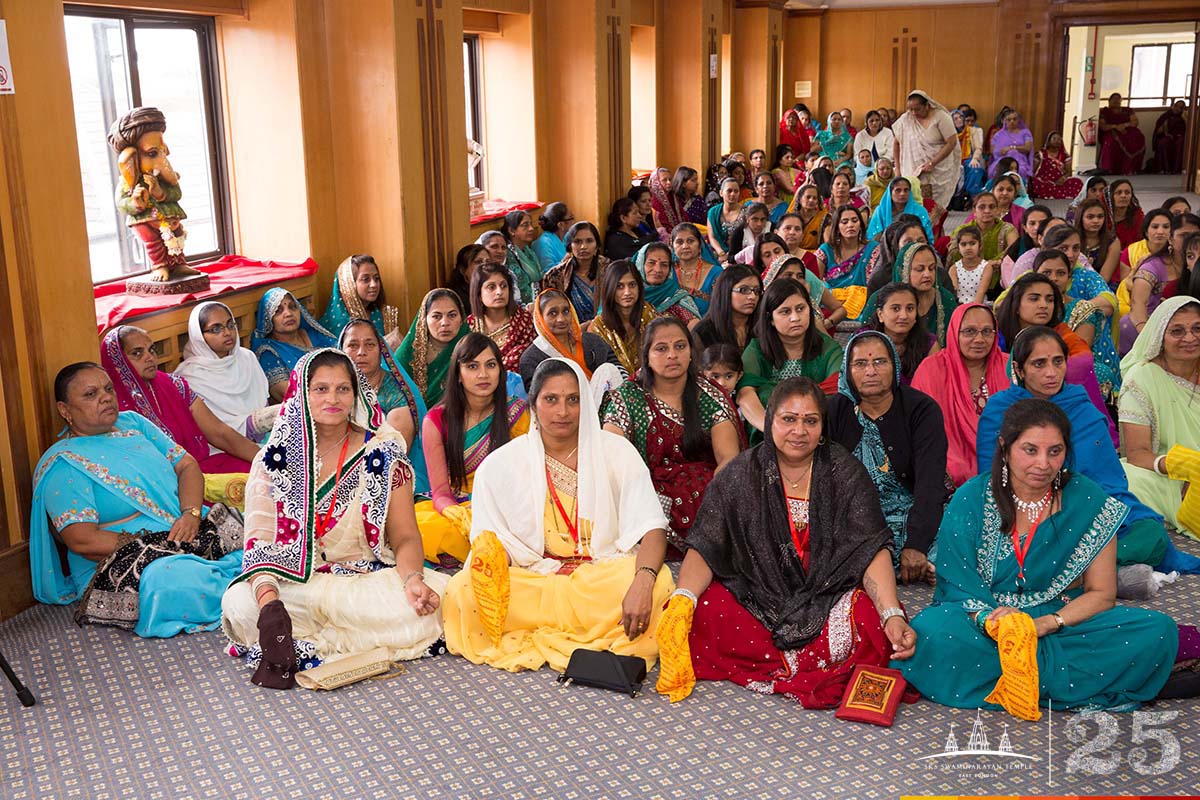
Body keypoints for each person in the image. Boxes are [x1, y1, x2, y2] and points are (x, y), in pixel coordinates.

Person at [899, 398, 1178, 714]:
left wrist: (1045, 624)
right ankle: (1065, 679)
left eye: (1054, 451)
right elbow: (956, 588)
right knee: (930, 631)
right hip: (988, 622)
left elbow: (1101, 595)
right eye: (1030, 450)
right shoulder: (971, 499)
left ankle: (1022, 677)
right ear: (1005, 448)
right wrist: (995, 623)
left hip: (1062, 618)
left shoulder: (1087, 500)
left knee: (1158, 630)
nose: (1043, 463)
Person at [654, 377, 917, 707]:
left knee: (871, 618)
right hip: (758, 594)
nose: (799, 431)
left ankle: (781, 658)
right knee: (702, 610)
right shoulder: (739, 474)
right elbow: (707, 544)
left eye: (811, 421)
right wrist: (684, 598)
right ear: (769, 420)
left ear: (823, 425)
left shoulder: (845, 473)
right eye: (788, 419)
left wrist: (891, 612)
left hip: (828, 593)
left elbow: (870, 548)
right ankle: (809, 658)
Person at [221, 350, 447, 686]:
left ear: (356, 395)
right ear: (301, 393)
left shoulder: (382, 453)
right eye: (321, 389)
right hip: (297, 583)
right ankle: (302, 633)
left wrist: (413, 579)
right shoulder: (273, 461)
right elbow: (260, 548)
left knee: (432, 599)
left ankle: (311, 640)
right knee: (239, 603)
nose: (333, 398)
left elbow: (405, 538)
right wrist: (270, 608)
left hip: (362, 580)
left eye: (343, 389)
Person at [443, 357, 675, 672]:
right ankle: (588, 628)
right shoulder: (500, 467)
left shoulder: (617, 453)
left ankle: (569, 622)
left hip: (601, 576)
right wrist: (491, 570)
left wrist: (642, 582)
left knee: (659, 583)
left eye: (573, 400)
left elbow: (652, 528)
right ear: (533, 405)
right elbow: (493, 545)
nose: (563, 411)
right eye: (551, 399)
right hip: (534, 577)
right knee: (462, 589)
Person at [30, 362, 243, 636]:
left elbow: (187, 466)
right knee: (170, 579)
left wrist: (190, 514)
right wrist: (157, 545)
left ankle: (246, 580)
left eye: (108, 389)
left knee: (252, 530)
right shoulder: (65, 463)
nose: (106, 397)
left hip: (180, 528)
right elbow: (82, 540)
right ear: (64, 410)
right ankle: (248, 590)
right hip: (117, 559)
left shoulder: (133, 423)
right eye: (90, 394)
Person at [978, 326, 1200, 575]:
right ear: (1019, 369)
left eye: (1058, 361)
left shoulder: (1080, 406)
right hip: (1026, 511)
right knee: (1026, 541)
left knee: (1150, 532)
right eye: (1039, 364)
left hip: (1090, 506)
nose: (1051, 373)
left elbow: (1110, 480)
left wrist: (1089, 508)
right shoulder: (1001, 410)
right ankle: (1093, 572)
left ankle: (1072, 572)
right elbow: (990, 478)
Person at [602, 318, 741, 555]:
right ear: (646, 356)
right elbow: (612, 461)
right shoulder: (626, 399)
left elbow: (729, 459)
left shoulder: (709, 396)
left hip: (706, 493)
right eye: (661, 348)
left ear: (690, 352)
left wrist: (713, 500)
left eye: (680, 346)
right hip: (643, 495)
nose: (672, 355)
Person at [828, 331, 948, 583]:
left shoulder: (921, 410)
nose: (871, 371)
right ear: (847, 370)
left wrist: (916, 544)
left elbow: (930, 483)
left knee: (956, 541)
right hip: (853, 518)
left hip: (910, 511)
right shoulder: (832, 411)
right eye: (860, 363)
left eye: (880, 362)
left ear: (894, 365)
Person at [414, 334, 529, 565]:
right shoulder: (436, 420)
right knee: (420, 526)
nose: (483, 374)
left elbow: (527, 481)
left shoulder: (516, 413)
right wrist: (463, 518)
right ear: (458, 374)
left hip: (505, 506)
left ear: (500, 370)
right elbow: (440, 491)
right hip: (458, 506)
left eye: (490, 365)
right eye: (472, 366)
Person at [103, 326, 259, 474]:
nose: (149, 357)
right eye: (137, 353)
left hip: (201, 466)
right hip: (167, 483)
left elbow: (219, 432)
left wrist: (264, 459)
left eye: (152, 350)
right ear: (117, 361)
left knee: (263, 474)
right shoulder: (111, 407)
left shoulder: (175, 385)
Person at [1119, 297, 1200, 539]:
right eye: (1177, 331)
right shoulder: (1142, 379)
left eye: (1197, 328)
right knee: (1128, 479)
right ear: (1160, 337)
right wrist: (1186, 468)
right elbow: (1137, 454)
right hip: (1166, 475)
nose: (1190, 338)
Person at [912, 304, 1008, 486]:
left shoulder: (1009, 367)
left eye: (987, 332)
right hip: (948, 469)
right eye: (970, 331)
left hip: (1007, 462)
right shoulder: (932, 370)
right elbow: (923, 429)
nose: (979, 339)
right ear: (955, 332)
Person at [997, 271, 1109, 424]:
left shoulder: (1062, 334)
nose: (1044, 305)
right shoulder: (997, 334)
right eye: (1034, 299)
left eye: (1049, 300)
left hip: (1059, 409)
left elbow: (1082, 362)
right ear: (1016, 304)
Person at [737, 279, 842, 436]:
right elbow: (744, 395)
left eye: (800, 309)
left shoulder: (827, 347)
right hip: (767, 435)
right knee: (764, 394)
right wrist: (774, 430)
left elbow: (838, 386)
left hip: (819, 432)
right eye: (785, 312)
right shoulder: (757, 349)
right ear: (770, 318)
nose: (795, 318)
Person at [338, 319, 429, 493]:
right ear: (341, 351)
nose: (361, 352)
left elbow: (394, 454)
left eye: (370, 345)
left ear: (382, 352)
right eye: (353, 345)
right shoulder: (333, 390)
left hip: (390, 479)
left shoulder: (397, 392)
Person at [175, 301, 277, 445]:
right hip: (224, 447)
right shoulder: (190, 377)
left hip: (268, 435)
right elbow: (215, 432)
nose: (227, 333)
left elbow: (264, 402)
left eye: (230, 325)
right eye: (216, 329)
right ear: (199, 336)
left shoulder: (246, 357)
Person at [519, 289, 624, 403]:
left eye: (565, 311)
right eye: (553, 313)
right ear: (540, 319)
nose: (561, 319)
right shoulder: (532, 358)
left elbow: (617, 372)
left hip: (607, 411)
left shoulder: (592, 342)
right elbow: (539, 400)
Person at [1119, 210, 1194, 354]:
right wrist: (1150, 338)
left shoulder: (1195, 264)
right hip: (1149, 327)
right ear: (1171, 238)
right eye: (1183, 235)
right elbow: (1138, 303)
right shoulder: (1152, 266)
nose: (1189, 240)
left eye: (1194, 236)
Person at [862, 242, 958, 347]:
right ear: (904, 271)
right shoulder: (879, 299)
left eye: (931, 268)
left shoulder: (946, 300)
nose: (927, 274)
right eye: (920, 269)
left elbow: (954, 344)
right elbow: (864, 341)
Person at [252, 288, 338, 401]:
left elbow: (345, 360)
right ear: (268, 319)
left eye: (293, 307)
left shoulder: (315, 334)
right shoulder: (268, 352)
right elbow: (287, 392)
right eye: (278, 311)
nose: (288, 314)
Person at [396, 289, 469, 409]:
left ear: (461, 319)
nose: (445, 323)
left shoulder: (472, 349)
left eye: (452, 315)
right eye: (436, 316)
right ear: (424, 320)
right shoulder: (407, 354)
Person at [892, 90, 962, 210]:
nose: (913, 113)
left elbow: (951, 142)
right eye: (910, 109)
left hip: (937, 170)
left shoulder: (941, 117)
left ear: (927, 105)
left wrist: (932, 162)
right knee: (913, 206)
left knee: (934, 209)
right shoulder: (906, 119)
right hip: (912, 169)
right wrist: (897, 169)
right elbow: (896, 143)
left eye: (917, 109)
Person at [588, 259, 658, 375]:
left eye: (632, 285)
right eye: (619, 286)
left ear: (639, 287)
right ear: (610, 289)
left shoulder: (649, 314)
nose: (627, 292)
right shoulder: (598, 327)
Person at [864, 282, 940, 384]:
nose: (904, 316)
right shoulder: (864, 341)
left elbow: (935, 386)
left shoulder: (929, 345)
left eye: (910, 309)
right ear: (880, 314)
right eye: (896, 309)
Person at [319, 254, 401, 349]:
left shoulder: (381, 314)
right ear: (349, 285)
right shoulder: (338, 326)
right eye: (366, 279)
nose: (374, 284)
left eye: (376, 278)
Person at [467, 262, 537, 373]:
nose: (499, 292)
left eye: (504, 286)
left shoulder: (524, 321)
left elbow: (531, 361)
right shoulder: (470, 324)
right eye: (491, 287)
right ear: (479, 294)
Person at [815, 205, 877, 324]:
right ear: (837, 227)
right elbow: (814, 282)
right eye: (844, 222)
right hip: (830, 305)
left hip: (862, 305)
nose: (850, 225)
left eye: (855, 221)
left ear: (861, 225)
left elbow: (874, 284)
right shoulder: (826, 250)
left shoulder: (873, 249)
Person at [540, 221, 609, 324]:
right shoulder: (555, 276)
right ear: (570, 246)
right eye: (577, 241)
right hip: (569, 332)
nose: (583, 247)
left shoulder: (609, 270)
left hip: (607, 331)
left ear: (597, 246)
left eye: (589, 241)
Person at [691, 264, 760, 352]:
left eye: (757, 291)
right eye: (743, 290)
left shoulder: (762, 326)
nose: (752, 296)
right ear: (725, 291)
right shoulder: (703, 333)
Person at [635, 241, 701, 326]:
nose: (658, 269)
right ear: (640, 265)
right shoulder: (629, 297)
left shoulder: (679, 300)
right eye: (651, 263)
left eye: (664, 265)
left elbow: (695, 331)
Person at [946, 192, 1017, 271]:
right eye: (981, 207)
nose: (987, 211)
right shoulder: (963, 230)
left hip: (999, 272)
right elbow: (953, 253)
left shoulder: (1007, 229)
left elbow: (1014, 248)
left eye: (991, 207)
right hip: (968, 273)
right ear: (974, 211)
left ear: (997, 210)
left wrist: (998, 261)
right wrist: (978, 265)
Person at [672, 223, 723, 316]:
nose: (685, 246)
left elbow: (722, 309)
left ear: (700, 246)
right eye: (679, 242)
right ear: (672, 247)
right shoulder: (667, 273)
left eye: (690, 241)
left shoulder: (716, 273)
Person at [866, 176, 934, 244]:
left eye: (906, 190)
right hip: (884, 249)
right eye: (898, 190)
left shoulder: (920, 211)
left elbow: (927, 237)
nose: (902, 194)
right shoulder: (880, 211)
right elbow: (872, 236)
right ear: (890, 192)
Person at [1098, 92, 1146, 175]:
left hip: (1127, 129)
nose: (1116, 101)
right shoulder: (1104, 112)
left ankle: (1130, 169)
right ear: (1109, 101)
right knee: (1111, 141)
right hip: (1111, 130)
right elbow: (1103, 126)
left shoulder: (1128, 110)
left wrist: (1124, 125)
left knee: (1138, 137)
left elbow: (1135, 122)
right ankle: (1110, 169)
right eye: (1114, 99)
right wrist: (1115, 126)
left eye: (1118, 99)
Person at [500, 209, 542, 302]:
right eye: (525, 225)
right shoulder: (509, 255)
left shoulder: (527, 251)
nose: (531, 228)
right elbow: (521, 289)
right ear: (511, 230)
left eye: (531, 224)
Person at [1076, 198, 1120, 285]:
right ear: (1080, 218)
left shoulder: (1113, 242)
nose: (1096, 221)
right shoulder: (1071, 239)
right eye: (1090, 217)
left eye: (1100, 216)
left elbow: (1104, 278)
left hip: (1100, 287)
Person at [1031, 132, 1083, 200]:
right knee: (1033, 182)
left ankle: (1051, 194)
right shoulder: (1041, 154)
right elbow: (1033, 170)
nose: (1057, 141)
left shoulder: (1065, 156)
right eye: (1054, 138)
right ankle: (1055, 193)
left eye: (1059, 139)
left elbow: (1069, 172)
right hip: (1044, 181)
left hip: (1060, 182)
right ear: (1049, 141)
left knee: (1077, 182)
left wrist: (1063, 179)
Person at [950, 226, 993, 305]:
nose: (968, 248)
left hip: (979, 307)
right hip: (959, 307)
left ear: (980, 245)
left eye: (972, 243)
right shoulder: (954, 269)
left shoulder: (986, 267)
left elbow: (981, 293)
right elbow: (953, 294)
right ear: (958, 247)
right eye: (963, 244)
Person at [604, 197, 657, 261]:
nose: (639, 216)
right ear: (623, 218)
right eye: (635, 213)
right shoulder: (616, 241)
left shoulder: (638, 230)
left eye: (638, 212)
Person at [987, 109, 1033, 182]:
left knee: (1020, 170)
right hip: (1002, 160)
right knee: (995, 170)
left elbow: (1028, 148)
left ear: (1019, 120)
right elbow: (993, 151)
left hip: (1020, 161)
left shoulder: (1025, 133)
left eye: (1014, 119)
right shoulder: (998, 134)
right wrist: (1003, 152)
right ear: (1004, 121)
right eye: (1009, 120)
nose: (1012, 121)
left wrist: (1011, 148)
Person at [530, 201, 572, 271]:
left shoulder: (566, 236)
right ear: (561, 225)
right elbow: (548, 272)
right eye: (571, 218)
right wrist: (566, 261)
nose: (574, 221)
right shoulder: (543, 243)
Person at [785, 184, 828, 250]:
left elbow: (827, 245)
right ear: (799, 199)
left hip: (814, 255)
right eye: (808, 197)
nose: (811, 200)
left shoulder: (823, 217)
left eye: (814, 198)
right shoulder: (790, 215)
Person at [446, 244, 487, 313]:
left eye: (488, 262)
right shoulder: (452, 296)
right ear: (463, 270)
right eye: (478, 262)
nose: (485, 266)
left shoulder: (494, 291)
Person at [1108, 178, 1144, 251]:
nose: (1123, 196)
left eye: (1127, 192)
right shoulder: (1104, 217)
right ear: (1110, 196)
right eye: (1119, 192)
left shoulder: (1137, 217)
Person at [1152, 101, 1187, 174]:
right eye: (1176, 106)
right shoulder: (1166, 116)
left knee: (1180, 142)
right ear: (1173, 106)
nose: (1177, 109)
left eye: (1180, 108)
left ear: (1183, 109)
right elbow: (1158, 132)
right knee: (1163, 142)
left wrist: (1185, 119)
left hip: (1179, 138)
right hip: (1167, 137)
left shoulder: (1184, 118)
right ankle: (1165, 169)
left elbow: (1187, 131)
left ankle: (1176, 170)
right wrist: (1163, 129)